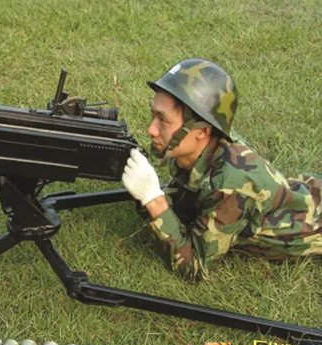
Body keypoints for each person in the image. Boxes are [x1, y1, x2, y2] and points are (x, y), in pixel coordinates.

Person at [122, 58, 322, 282]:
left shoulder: (231, 181)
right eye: (154, 115)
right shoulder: (195, 151)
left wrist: (154, 201)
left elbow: (194, 267)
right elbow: (186, 208)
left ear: (202, 131)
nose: (151, 129)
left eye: (163, 120)